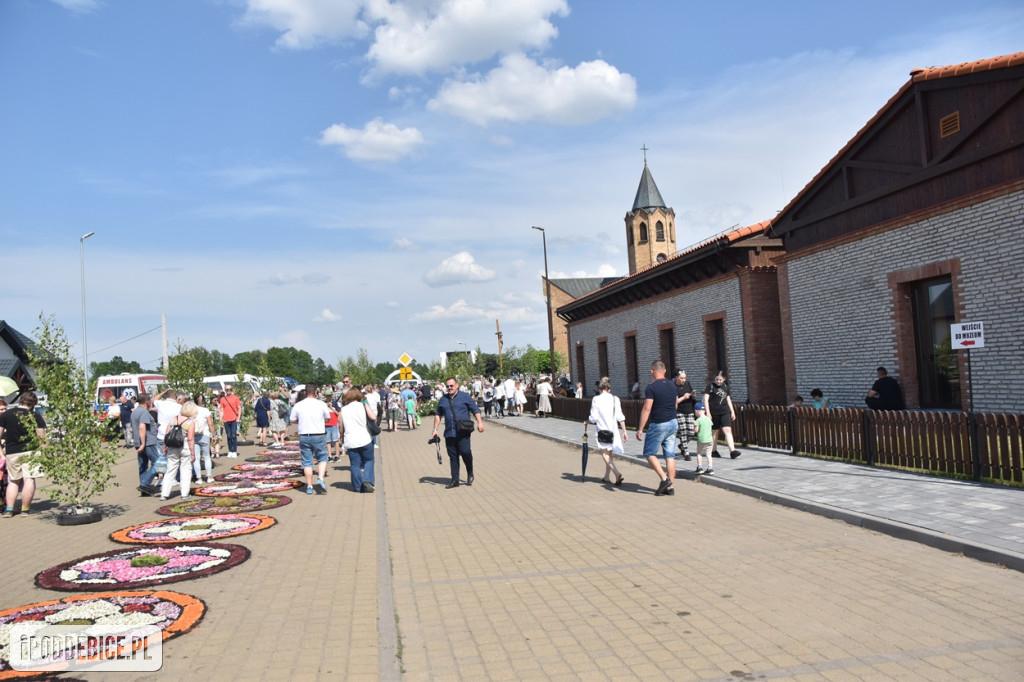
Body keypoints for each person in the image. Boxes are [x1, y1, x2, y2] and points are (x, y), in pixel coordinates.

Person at [432, 377, 484, 489]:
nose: (449, 388)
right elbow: (438, 414)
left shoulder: (465, 397)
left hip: (463, 431)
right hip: (449, 432)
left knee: (465, 452)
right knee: (453, 456)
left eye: (451, 385)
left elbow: (475, 410)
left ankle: (470, 471)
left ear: (457, 385)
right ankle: (455, 480)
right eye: (447, 386)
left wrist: (479, 422)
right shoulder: (443, 399)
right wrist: (435, 429)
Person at [0, 392, 46, 516]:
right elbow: (41, 437)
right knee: (29, 479)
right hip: (31, 451)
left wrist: (2, 452)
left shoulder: (6, 415)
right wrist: (44, 452)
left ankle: (9, 509)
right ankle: (25, 509)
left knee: (13, 481)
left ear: (21, 400)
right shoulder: (35, 416)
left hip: (12, 451)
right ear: (33, 403)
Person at [636, 361, 677, 496]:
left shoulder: (651, 387)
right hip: (673, 422)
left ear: (652, 371)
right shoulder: (672, 385)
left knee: (649, 453)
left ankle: (664, 479)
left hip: (659, 424)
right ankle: (671, 487)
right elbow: (675, 404)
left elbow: (647, 408)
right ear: (664, 371)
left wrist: (640, 428)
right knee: (670, 455)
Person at [290, 383, 331, 496]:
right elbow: (327, 418)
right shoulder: (321, 404)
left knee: (307, 462)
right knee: (322, 457)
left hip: (304, 435)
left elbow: (292, 420)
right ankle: (321, 478)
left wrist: (301, 421)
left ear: (305, 392)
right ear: (316, 392)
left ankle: (309, 486)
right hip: (318, 434)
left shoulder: (299, 405)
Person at [585, 377, 627, 486]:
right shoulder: (615, 399)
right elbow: (620, 416)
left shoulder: (596, 399)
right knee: (610, 453)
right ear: (609, 389)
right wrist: (624, 430)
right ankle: (607, 477)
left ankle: (616, 473)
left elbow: (593, 417)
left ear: (599, 389)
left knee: (604, 453)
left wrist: (587, 421)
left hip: (602, 430)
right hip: (613, 430)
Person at [338, 387, 377, 493]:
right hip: (364, 438)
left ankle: (358, 487)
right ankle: (367, 480)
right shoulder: (363, 406)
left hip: (350, 440)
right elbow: (373, 417)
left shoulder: (344, 410)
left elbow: (341, 426)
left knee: (355, 464)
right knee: (369, 460)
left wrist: (341, 436)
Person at [160, 401, 197, 501]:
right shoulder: (190, 422)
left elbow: (167, 434)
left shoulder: (173, 419)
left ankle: (164, 493)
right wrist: (193, 453)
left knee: (170, 470)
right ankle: (184, 493)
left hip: (172, 447)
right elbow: (190, 439)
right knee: (186, 469)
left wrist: (164, 447)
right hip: (184, 447)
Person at [704, 371, 741, 459]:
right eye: (717, 379)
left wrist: (732, 411)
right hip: (714, 412)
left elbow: (728, 399)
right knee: (715, 432)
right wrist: (708, 412)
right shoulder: (710, 386)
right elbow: (706, 400)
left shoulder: (725, 386)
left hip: (724, 411)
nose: (718, 381)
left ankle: (732, 451)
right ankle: (713, 451)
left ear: (724, 379)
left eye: (720, 380)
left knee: (727, 430)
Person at [131, 392, 160, 496]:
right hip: (148, 442)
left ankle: (144, 487)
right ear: (147, 401)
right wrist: (143, 443)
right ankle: (145, 484)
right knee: (157, 462)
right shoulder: (144, 412)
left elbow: (132, 428)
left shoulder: (134, 412)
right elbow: (142, 427)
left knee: (143, 465)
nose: (151, 402)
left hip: (139, 442)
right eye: (150, 400)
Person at [674, 370, 697, 461]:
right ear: (676, 378)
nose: (683, 380)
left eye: (685, 378)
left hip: (689, 410)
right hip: (680, 411)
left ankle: (682, 445)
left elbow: (692, 396)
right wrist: (684, 397)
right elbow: (674, 402)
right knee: (683, 431)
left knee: (691, 432)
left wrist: (693, 395)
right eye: (681, 378)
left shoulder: (688, 384)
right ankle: (686, 453)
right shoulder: (674, 387)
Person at [192, 393, 215, 484]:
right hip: (204, 434)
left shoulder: (191, 410)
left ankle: (199, 478)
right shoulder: (205, 410)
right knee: (206, 457)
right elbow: (210, 423)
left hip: (194, 435)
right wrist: (213, 435)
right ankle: (209, 476)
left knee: (196, 458)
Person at [219, 384, 242, 458]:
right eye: (227, 389)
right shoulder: (222, 399)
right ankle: (230, 450)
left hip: (234, 419)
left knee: (233, 435)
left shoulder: (235, 398)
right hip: (226, 419)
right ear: (225, 390)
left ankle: (234, 451)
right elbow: (221, 410)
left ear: (232, 390)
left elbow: (239, 408)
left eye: (230, 389)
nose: (229, 391)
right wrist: (221, 420)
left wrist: (238, 417)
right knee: (228, 436)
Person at [692, 403, 715, 475]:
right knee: (709, 454)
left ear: (696, 411)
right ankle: (710, 468)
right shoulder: (709, 419)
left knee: (699, 453)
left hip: (702, 440)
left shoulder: (698, 420)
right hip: (710, 439)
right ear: (704, 411)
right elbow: (710, 429)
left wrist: (694, 424)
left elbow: (696, 430)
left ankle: (700, 467)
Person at [325, 395, 341, 462]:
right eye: (327, 396)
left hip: (334, 424)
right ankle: (329, 455)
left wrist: (331, 407)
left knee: (335, 440)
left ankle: (337, 455)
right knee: (327, 440)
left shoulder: (335, 403)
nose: (328, 397)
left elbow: (338, 414)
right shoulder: (323, 404)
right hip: (326, 424)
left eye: (329, 396)